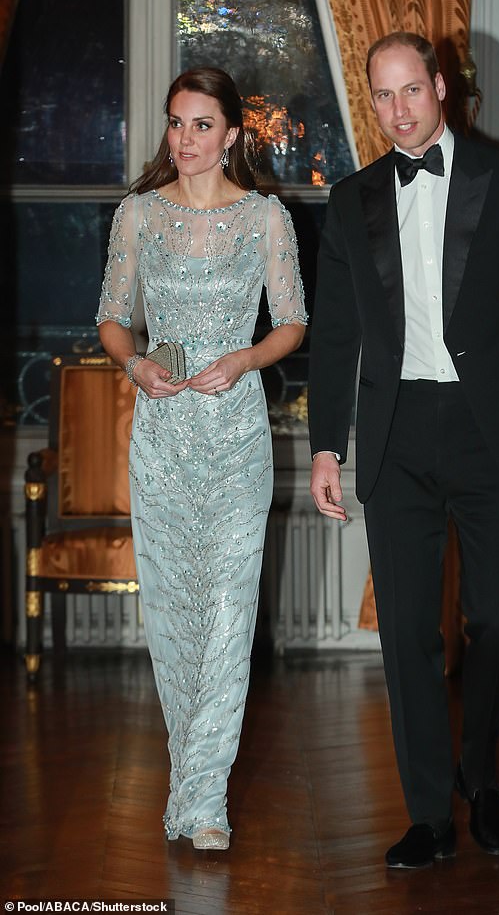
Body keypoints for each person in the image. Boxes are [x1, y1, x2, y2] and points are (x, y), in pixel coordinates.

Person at [308, 32, 499, 869]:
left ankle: (480, 771)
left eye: (410, 91)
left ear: (440, 86)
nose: (398, 111)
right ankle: (429, 811)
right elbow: (334, 336)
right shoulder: (354, 198)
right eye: (382, 97)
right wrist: (327, 446)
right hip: (396, 438)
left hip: (494, 431)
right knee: (406, 635)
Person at [97, 67, 307, 850]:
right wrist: (136, 364)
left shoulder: (265, 219)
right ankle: (190, 783)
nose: (184, 140)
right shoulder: (138, 216)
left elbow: (291, 323)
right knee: (176, 619)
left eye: (201, 125)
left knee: (227, 613)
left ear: (232, 135)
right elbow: (113, 319)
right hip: (160, 436)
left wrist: (247, 359)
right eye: (176, 124)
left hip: (236, 436)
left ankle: (207, 802)